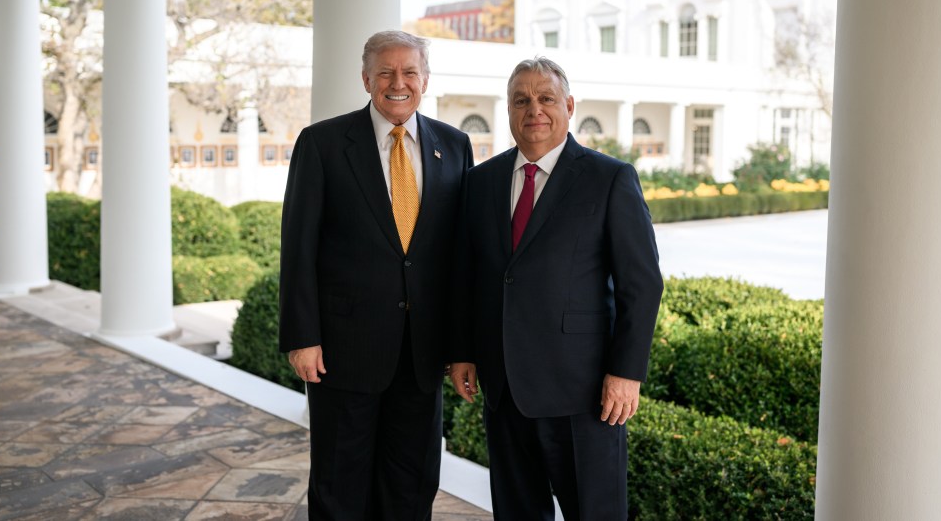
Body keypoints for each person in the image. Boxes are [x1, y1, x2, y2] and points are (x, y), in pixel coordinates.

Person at [449, 56, 663, 520]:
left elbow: (642, 284)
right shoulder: (480, 182)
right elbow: (469, 274)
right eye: (521, 100)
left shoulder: (609, 178)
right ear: (509, 109)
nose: (534, 110)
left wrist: (626, 373)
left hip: (584, 393)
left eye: (546, 98)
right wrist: (463, 350)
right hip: (505, 389)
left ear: (568, 106)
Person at [279, 30, 474, 520]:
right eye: (385, 72)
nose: (398, 83)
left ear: (425, 80)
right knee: (339, 485)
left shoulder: (455, 145)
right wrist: (302, 338)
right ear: (366, 80)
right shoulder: (322, 143)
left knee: (412, 484)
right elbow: (298, 248)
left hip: (422, 355)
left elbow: (460, 257)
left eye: (409, 72)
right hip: (342, 352)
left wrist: (461, 348)